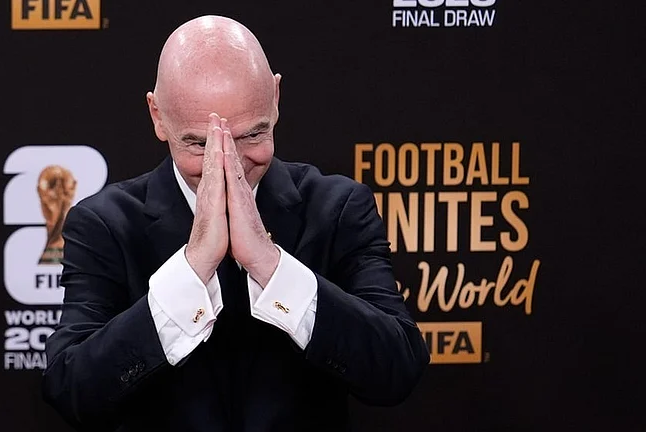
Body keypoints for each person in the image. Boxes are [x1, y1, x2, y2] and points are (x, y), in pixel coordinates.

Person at [42, 14, 429, 432]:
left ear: (276, 98)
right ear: (157, 115)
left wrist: (270, 265)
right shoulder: (104, 225)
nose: (230, 163)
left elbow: (397, 368)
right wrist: (193, 269)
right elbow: (73, 389)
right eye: (199, 143)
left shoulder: (337, 208)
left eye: (252, 136)